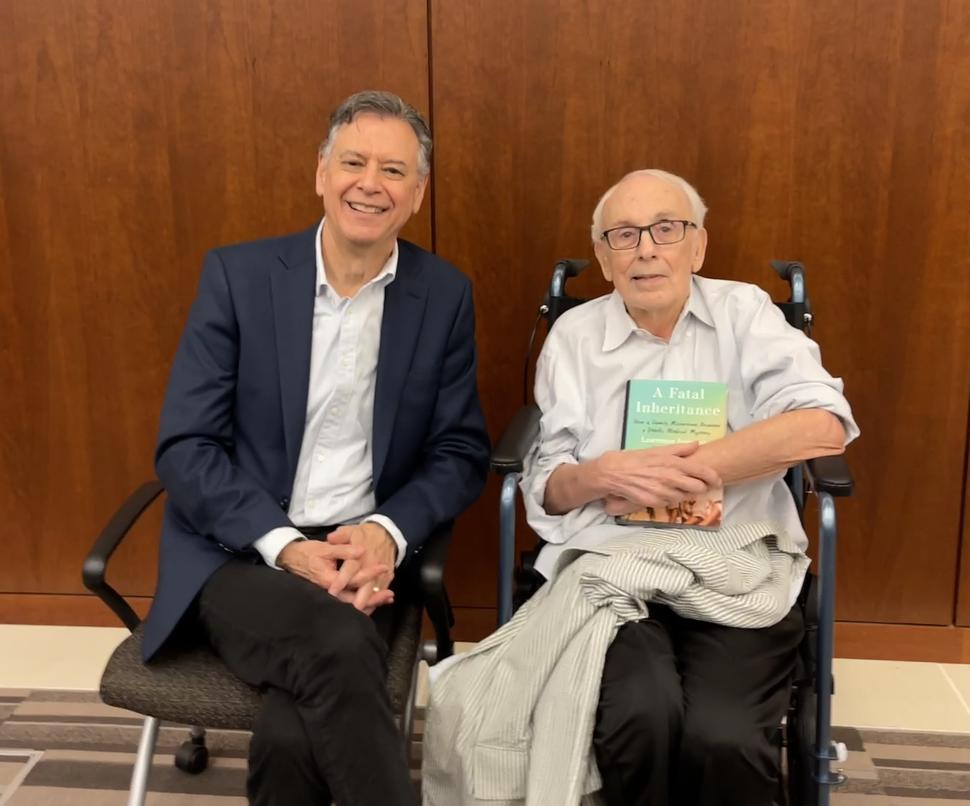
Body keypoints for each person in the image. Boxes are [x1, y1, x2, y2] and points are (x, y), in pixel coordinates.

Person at [142, 90, 490, 806]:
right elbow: (186, 446)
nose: (371, 183)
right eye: (353, 162)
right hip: (241, 552)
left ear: (418, 193)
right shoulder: (238, 279)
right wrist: (286, 546)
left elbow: (459, 449)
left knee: (294, 735)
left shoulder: (444, 294)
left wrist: (384, 533)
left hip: (366, 555)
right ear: (321, 173)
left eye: (394, 171)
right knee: (334, 647)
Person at [519, 169, 859, 805]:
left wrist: (695, 467)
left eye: (666, 229)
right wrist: (600, 474)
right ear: (602, 256)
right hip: (611, 563)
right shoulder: (574, 338)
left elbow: (823, 424)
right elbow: (548, 488)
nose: (646, 248)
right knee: (640, 717)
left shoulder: (746, 312)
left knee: (722, 737)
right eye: (623, 234)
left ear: (697, 245)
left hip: (733, 562)